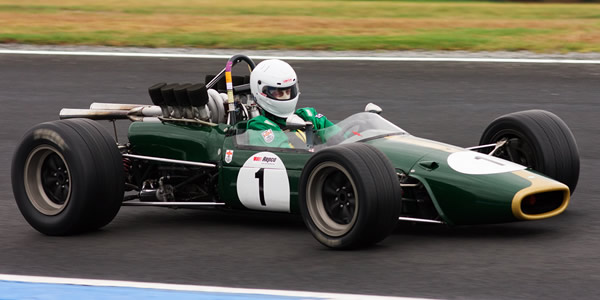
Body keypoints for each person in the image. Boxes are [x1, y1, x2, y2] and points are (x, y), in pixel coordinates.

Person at [246, 59, 336, 148]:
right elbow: (288, 157)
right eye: (279, 93)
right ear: (262, 92)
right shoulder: (259, 126)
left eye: (288, 91)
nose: (286, 96)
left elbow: (342, 139)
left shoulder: (308, 116)